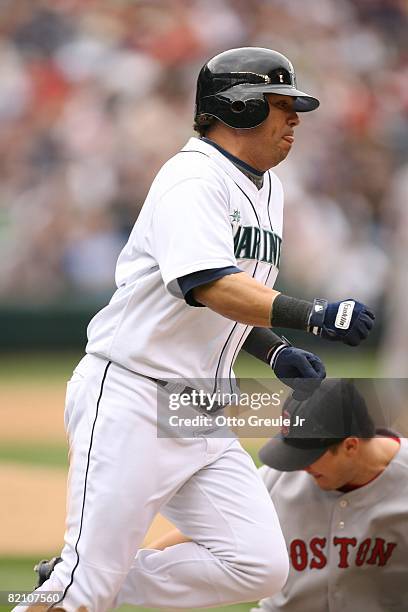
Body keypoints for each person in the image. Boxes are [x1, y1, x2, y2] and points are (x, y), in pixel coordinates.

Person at [20, 48, 374, 612]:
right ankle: (82, 579)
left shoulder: (268, 188)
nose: (295, 119)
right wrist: (314, 314)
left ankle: (87, 574)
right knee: (83, 593)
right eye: (280, 105)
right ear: (236, 110)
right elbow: (206, 282)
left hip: (199, 407)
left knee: (257, 564)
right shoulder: (191, 179)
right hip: (134, 397)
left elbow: (225, 291)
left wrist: (273, 350)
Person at [252, 378, 407, 612]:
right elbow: (209, 527)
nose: (300, 467)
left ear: (350, 446)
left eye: (308, 457)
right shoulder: (277, 477)